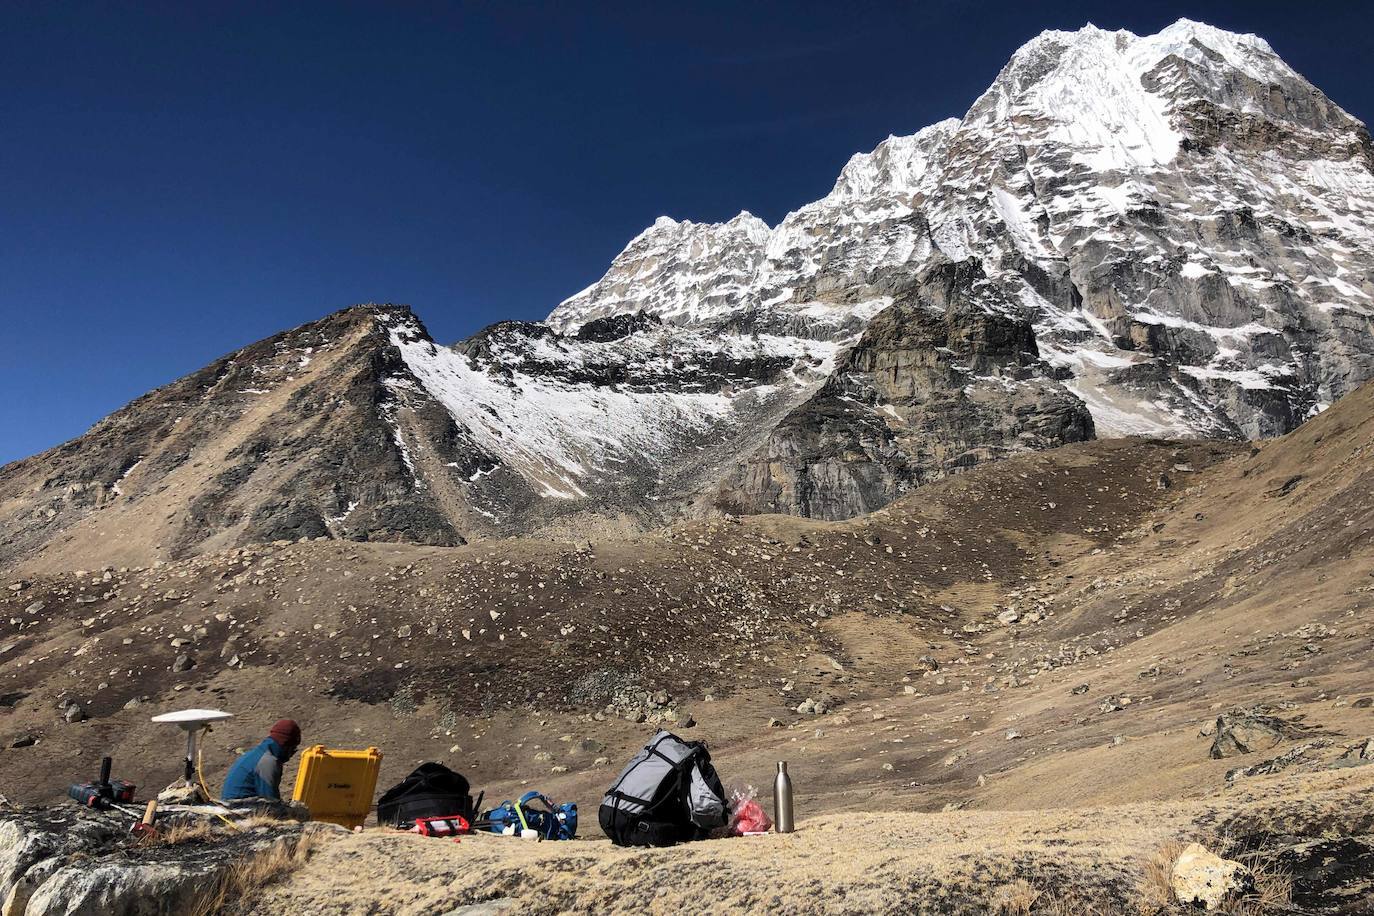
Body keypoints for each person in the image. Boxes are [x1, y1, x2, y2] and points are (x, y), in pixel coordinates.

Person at [221, 719, 301, 801]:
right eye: (293, 749)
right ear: (286, 746)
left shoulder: (257, 753)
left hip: (233, 804)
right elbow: (270, 800)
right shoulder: (268, 762)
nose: (291, 755)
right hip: (238, 808)